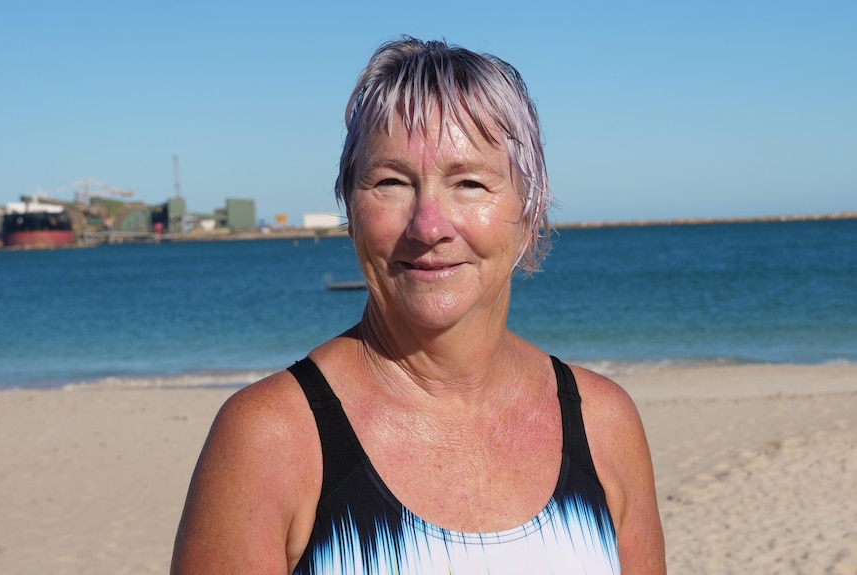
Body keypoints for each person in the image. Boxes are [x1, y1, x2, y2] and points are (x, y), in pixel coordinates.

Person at [171, 36, 665, 574]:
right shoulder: (273, 439)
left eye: (470, 183)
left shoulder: (603, 425)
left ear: (530, 209)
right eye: (391, 182)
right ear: (350, 208)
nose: (429, 226)